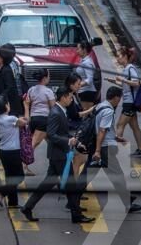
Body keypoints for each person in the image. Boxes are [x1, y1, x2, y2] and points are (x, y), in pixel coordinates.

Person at [20, 88, 93, 224]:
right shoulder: (55, 112)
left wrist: (75, 142)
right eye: (70, 97)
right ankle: (76, 214)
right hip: (58, 154)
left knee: (47, 184)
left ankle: (27, 207)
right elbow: (51, 135)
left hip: (58, 153)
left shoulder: (60, 111)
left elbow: (62, 133)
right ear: (63, 97)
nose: (72, 99)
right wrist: (68, 141)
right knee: (71, 184)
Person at [90, 86, 141, 213]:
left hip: (103, 146)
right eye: (119, 98)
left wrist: (116, 138)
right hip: (105, 148)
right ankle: (127, 203)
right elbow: (102, 130)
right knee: (118, 176)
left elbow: (104, 129)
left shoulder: (100, 106)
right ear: (115, 98)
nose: (119, 101)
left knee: (95, 175)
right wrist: (98, 150)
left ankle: (127, 197)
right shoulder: (109, 111)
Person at [107, 46, 141, 157]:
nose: (117, 59)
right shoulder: (126, 69)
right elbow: (126, 86)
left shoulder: (130, 68)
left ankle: (115, 153)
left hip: (130, 103)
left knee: (120, 124)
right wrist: (115, 81)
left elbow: (136, 83)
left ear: (125, 57)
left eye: (119, 56)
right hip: (129, 102)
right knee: (134, 127)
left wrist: (122, 79)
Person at [0, 96, 27, 209]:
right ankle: (1, 192)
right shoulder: (11, 118)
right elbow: (25, 121)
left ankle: (13, 202)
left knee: (10, 177)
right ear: (5, 106)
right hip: (13, 151)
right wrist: (26, 106)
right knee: (19, 177)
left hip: (4, 151)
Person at [74, 41, 98, 110]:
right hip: (83, 92)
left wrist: (77, 85)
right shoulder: (83, 61)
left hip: (87, 93)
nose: (77, 51)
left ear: (84, 50)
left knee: (86, 115)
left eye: (78, 49)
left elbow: (89, 79)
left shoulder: (87, 63)